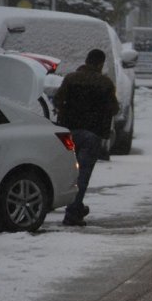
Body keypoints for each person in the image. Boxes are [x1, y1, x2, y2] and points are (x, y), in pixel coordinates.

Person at [54, 49, 119, 226]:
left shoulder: (70, 79)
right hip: (91, 135)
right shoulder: (105, 83)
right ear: (100, 64)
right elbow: (114, 108)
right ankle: (73, 212)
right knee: (82, 175)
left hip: (69, 132)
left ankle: (75, 206)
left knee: (69, 172)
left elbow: (58, 100)